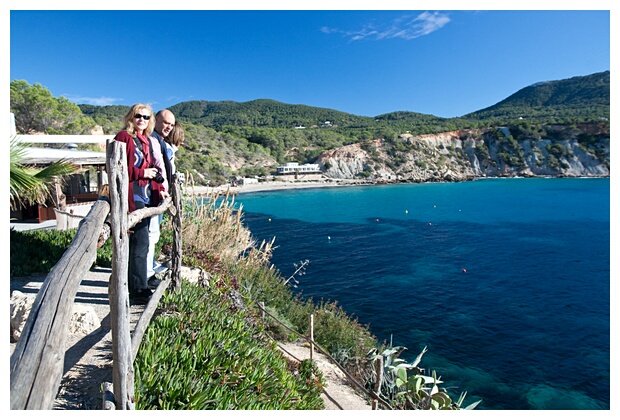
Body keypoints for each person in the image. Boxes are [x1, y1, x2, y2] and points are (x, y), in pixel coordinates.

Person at [113, 104, 168, 305]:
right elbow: (119, 168)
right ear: (131, 117)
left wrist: (158, 185)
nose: (142, 120)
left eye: (146, 117)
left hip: (144, 196)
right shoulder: (123, 138)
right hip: (131, 198)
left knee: (141, 243)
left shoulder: (144, 140)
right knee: (140, 242)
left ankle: (137, 286)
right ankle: (138, 291)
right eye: (138, 116)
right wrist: (142, 173)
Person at [146, 109, 176, 284]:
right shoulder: (151, 140)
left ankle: (149, 266)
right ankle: (147, 273)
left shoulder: (160, 141)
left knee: (154, 235)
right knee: (150, 234)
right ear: (156, 120)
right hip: (152, 195)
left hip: (159, 195)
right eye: (165, 123)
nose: (168, 127)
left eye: (171, 125)